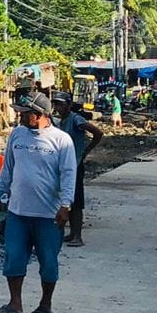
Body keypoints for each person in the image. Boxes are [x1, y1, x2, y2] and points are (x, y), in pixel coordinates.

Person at [0, 93, 77, 313]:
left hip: (48, 215)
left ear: (38, 115)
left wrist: (66, 205)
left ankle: (45, 305)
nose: (19, 117)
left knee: (48, 261)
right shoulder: (17, 135)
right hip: (18, 212)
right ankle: (15, 304)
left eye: (24, 113)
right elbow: (7, 168)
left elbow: (69, 175)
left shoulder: (61, 140)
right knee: (14, 257)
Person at [51, 94, 102, 247]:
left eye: (61, 105)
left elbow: (97, 133)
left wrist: (86, 151)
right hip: (65, 164)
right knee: (69, 198)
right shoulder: (62, 122)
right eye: (56, 105)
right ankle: (72, 233)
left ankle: (78, 236)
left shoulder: (76, 119)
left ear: (68, 105)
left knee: (77, 200)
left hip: (76, 164)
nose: (58, 108)